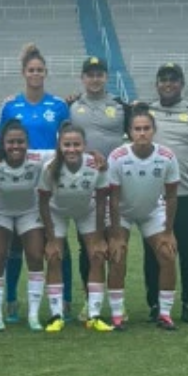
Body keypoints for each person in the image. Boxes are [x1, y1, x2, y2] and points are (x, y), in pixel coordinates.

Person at [0, 44, 70, 323]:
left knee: (55, 241)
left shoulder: (59, 105)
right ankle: (12, 300)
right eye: (31, 70)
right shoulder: (11, 105)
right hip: (17, 182)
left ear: (46, 73)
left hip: (49, 183)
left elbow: (68, 142)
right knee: (13, 246)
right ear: (23, 73)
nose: (35, 74)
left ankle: (64, 299)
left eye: (40, 70)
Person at [142, 63, 188, 324]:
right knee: (153, 253)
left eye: (173, 80)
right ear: (156, 84)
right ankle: (154, 304)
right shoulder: (145, 112)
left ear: (182, 83)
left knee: (187, 251)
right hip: (153, 197)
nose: (168, 84)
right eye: (163, 80)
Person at [107, 107, 181, 331]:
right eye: (137, 129)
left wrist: (168, 232)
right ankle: (118, 315)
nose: (142, 133)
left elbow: (171, 196)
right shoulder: (117, 157)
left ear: (154, 131)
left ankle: (165, 314)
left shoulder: (167, 156)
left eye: (146, 128)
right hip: (122, 211)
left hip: (151, 210)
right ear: (129, 132)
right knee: (118, 255)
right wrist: (117, 234)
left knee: (168, 253)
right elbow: (113, 199)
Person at [68, 57, 130, 319]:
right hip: (85, 186)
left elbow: (141, 132)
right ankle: (89, 299)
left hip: (115, 186)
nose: (95, 79)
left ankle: (118, 302)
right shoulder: (71, 106)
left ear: (106, 77)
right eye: (90, 74)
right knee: (88, 246)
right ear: (82, 78)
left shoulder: (120, 107)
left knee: (117, 241)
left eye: (99, 74)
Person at [38, 122, 111, 333]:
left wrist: (98, 237)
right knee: (54, 256)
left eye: (76, 145)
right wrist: (51, 240)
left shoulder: (95, 165)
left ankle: (94, 315)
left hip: (86, 211)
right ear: (59, 146)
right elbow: (43, 202)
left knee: (97, 255)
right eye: (66, 144)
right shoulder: (50, 168)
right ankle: (56, 315)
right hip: (56, 212)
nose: (71, 149)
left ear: (85, 145)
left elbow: (100, 201)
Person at [0, 119, 52, 332]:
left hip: (29, 212)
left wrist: (94, 156)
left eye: (20, 142)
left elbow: (67, 151)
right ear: (2, 144)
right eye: (10, 142)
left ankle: (33, 315)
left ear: (27, 142)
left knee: (34, 255)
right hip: (0, 213)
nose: (16, 146)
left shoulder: (39, 158)